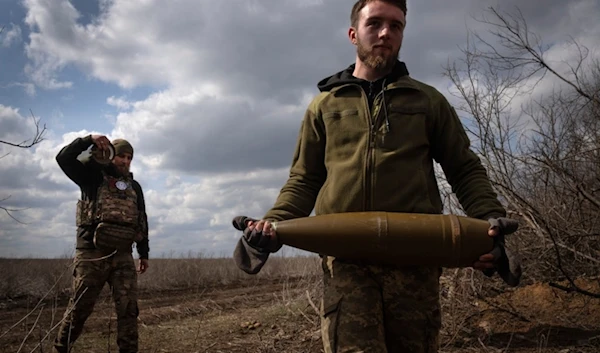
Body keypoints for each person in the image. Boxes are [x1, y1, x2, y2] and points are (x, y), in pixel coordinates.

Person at [237, 1, 519, 352]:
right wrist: (273, 224)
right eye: (375, 23)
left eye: (396, 26)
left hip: (415, 260)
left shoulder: (429, 101)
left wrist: (488, 221)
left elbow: (463, 168)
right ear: (354, 34)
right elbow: (305, 178)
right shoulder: (324, 106)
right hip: (346, 261)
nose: (386, 33)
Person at [53, 135, 149, 353]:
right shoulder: (91, 176)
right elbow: (63, 158)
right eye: (121, 156)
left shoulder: (134, 186)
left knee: (129, 311)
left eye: (129, 158)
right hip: (91, 254)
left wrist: (144, 253)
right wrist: (89, 140)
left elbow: (141, 219)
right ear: (111, 155)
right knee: (79, 310)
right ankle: (60, 349)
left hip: (123, 254)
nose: (125, 161)